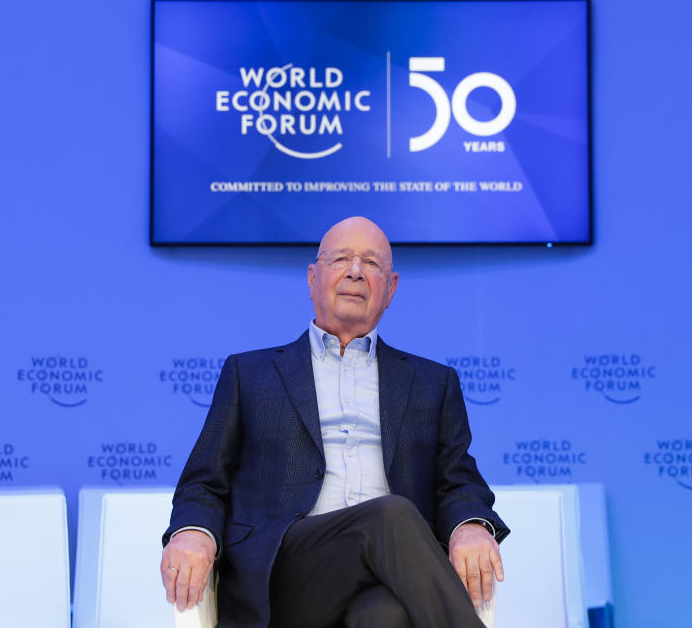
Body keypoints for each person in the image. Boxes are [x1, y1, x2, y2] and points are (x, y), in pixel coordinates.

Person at [161, 217, 508, 628]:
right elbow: (203, 482)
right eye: (341, 258)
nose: (356, 271)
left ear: (391, 288)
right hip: (285, 576)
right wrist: (194, 531)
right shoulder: (249, 374)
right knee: (390, 516)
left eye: (371, 263)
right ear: (312, 277)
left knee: (387, 617)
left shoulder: (433, 383)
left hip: (389, 576)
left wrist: (470, 525)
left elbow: (459, 482)